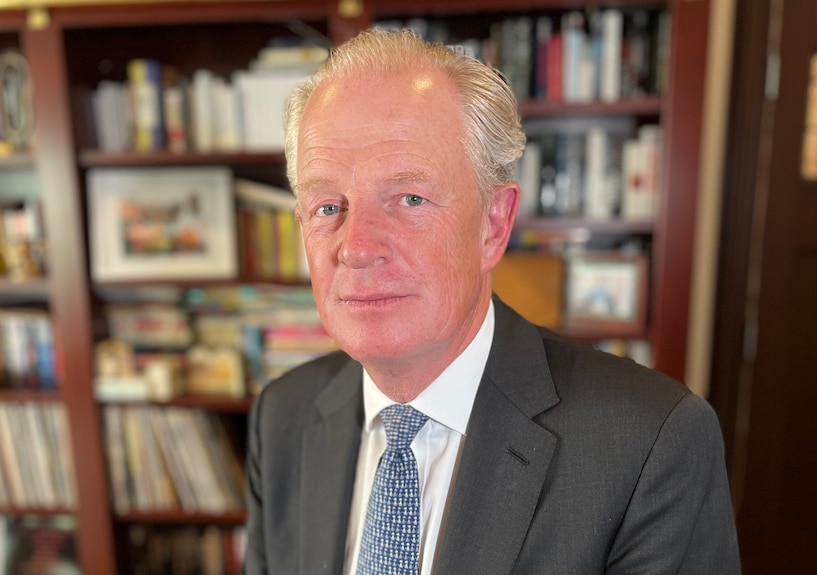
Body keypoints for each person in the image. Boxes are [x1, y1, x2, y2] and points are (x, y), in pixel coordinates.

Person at [243, 28, 741, 575]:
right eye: (327, 206)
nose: (356, 248)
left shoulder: (651, 442)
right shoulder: (282, 416)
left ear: (493, 224)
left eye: (410, 198)